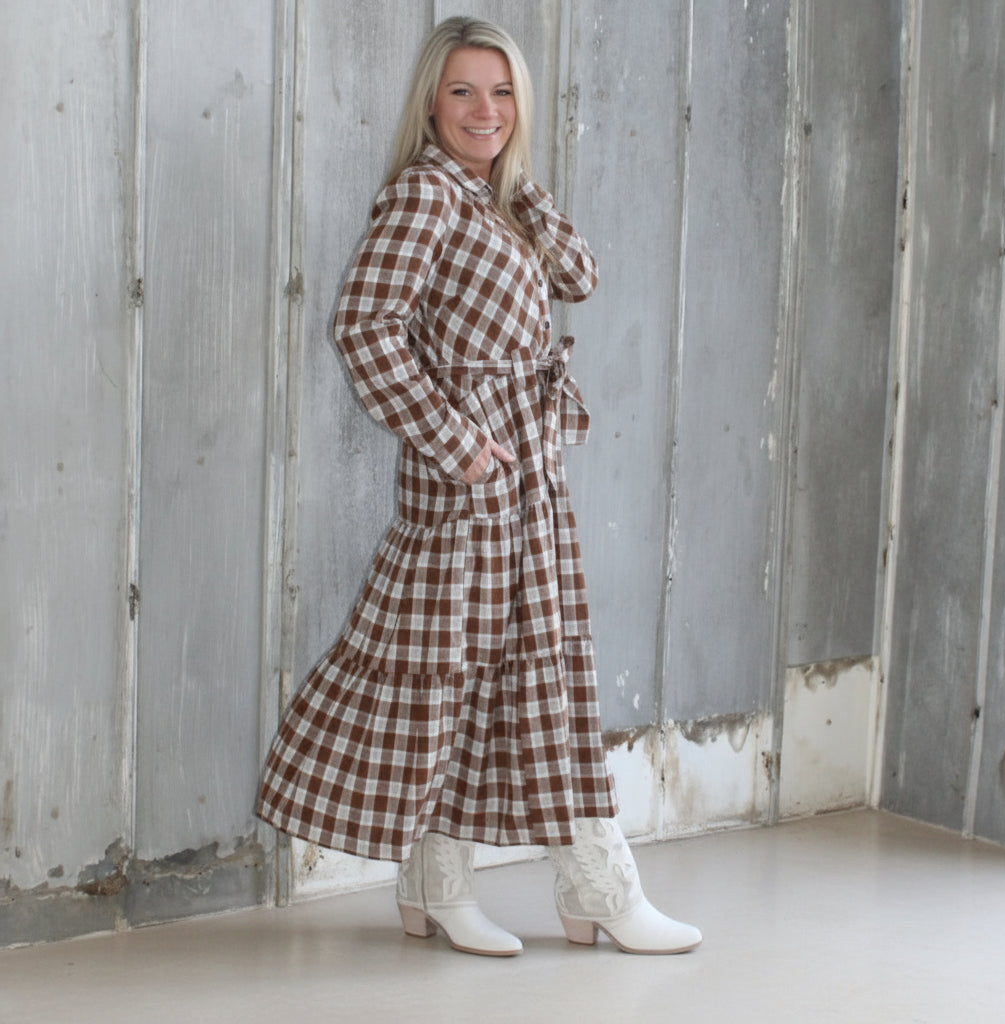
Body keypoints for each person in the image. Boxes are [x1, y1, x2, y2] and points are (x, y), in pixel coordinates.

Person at [257, 15, 701, 958]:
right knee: (478, 674)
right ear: (430, 101)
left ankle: (452, 881)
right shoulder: (424, 194)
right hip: (470, 479)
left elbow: (580, 274)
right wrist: (455, 441)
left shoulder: (493, 198)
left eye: (502, 93)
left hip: (529, 467)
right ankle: (587, 885)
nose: (484, 110)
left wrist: (521, 186)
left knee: (508, 674)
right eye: (463, 91)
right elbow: (362, 324)